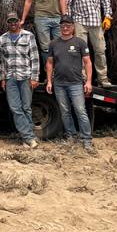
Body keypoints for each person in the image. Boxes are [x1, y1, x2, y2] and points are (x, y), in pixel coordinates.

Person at [45, 15, 94, 150]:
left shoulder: (80, 42)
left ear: (73, 27)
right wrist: (49, 81)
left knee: (80, 111)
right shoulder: (54, 43)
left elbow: (88, 62)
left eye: (68, 26)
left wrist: (88, 81)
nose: (65, 28)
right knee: (65, 111)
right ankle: (71, 136)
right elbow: (49, 63)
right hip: (59, 84)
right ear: (60, 28)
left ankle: (87, 139)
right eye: (62, 26)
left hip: (76, 83)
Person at [65, 0, 113, 87]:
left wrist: (107, 17)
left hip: (96, 22)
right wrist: (70, 23)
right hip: (79, 22)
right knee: (80, 51)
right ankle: (83, 78)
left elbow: (106, 2)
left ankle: (103, 78)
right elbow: (67, 5)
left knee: (100, 50)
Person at [0, 12, 40, 149]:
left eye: (15, 21)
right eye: (10, 21)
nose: (13, 23)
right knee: (15, 108)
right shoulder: (3, 39)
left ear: (19, 22)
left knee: (26, 108)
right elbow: (2, 62)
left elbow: (35, 57)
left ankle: (25, 138)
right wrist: (3, 78)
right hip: (11, 77)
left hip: (26, 77)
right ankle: (30, 137)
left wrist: (35, 77)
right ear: (7, 23)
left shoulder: (29, 36)